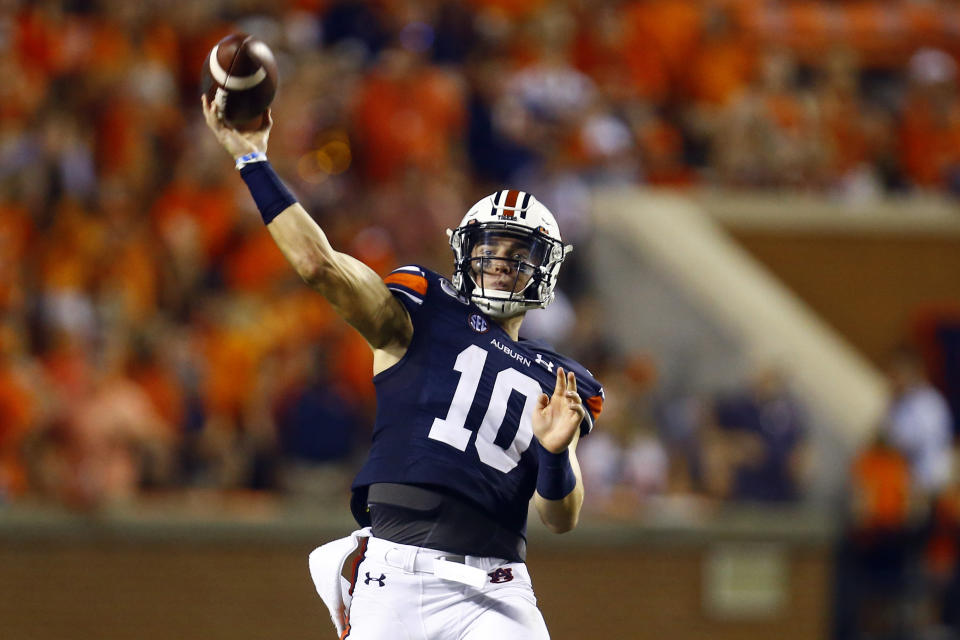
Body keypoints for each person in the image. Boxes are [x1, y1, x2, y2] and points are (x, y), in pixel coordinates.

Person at [201, 97, 604, 640]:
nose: (504, 263)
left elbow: (561, 517)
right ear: (465, 252)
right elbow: (319, 265)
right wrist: (253, 161)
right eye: (492, 247)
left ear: (546, 269)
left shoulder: (557, 377)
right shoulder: (423, 308)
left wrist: (555, 454)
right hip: (398, 574)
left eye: (520, 253)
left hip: (499, 587)